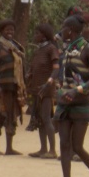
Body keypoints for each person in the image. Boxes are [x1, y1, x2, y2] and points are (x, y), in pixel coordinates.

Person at [50, 15, 89, 177]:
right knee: (64, 145)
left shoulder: (88, 49)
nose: (61, 31)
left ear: (70, 30)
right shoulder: (66, 49)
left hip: (80, 103)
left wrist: (77, 91)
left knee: (77, 146)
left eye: (64, 28)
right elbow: (55, 37)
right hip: (64, 104)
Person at [0, 19, 27, 156]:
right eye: (7, 30)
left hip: (13, 88)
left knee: (11, 116)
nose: (10, 32)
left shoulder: (16, 47)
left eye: (12, 30)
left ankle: (9, 148)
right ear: (1, 31)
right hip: (0, 88)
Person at [27, 24, 59, 159]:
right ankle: (43, 149)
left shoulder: (51, 49)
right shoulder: (39, 50)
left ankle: (52, 150)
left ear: (44, 36)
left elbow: (56, 68)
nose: (35, 36)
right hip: (36, 89)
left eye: (37, 33)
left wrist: (49, 82)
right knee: (40, 119)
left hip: (46, 90)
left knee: (46, 118)